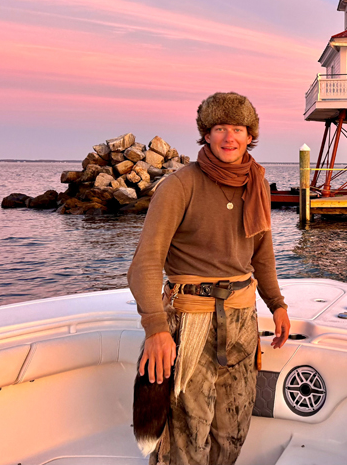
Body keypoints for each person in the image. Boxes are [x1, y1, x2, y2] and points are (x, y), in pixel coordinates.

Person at [127, 91, 290, 464]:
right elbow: (145, 263)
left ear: (250, 135)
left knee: (232, 432)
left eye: (237, 128)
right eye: (219, 128)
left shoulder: (257, 184)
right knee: (187, 438)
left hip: (242, 321)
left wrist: (277, 304)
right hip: (190, 321)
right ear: (206, 134)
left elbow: (262, 256)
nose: (229, 137)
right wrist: (155, 328)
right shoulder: (179, 185)